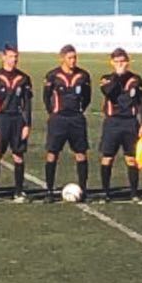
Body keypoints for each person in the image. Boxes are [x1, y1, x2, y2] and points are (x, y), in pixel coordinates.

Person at [42, 45, 91, 200]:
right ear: (62, 58)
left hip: (76, 119)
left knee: (81, 154)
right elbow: (46, 97)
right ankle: (49, 191)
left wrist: (79, 111)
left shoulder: (84, 76)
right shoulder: (52, 76)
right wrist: (54, 112)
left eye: (75, 57)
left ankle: (83, 189)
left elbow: (87, 97)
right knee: (52, 154)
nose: (73, 61)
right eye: (70, 58)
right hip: (58, 120)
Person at [0, 46, 34, 202]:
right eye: (11, 56)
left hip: (18, 120)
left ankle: (18, 191)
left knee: (18, 155)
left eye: (16, 56)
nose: (14, 59)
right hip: (1, 120)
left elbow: (27, 103)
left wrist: (27, 124)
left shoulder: (24, 78)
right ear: (3, 57)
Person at [98, 48, 142, 202]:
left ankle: (134, 193)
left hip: (130, 122)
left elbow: (141, 103)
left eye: (123, 61)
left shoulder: (136, 79)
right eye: (117, 62)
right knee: (107, 158)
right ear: (112, 62)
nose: (120, 64)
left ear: (128, 61)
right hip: (112, 122)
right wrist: (118, 76)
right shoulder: (106, 79)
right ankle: (106, 192)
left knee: (131, 159)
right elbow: (109, 92)